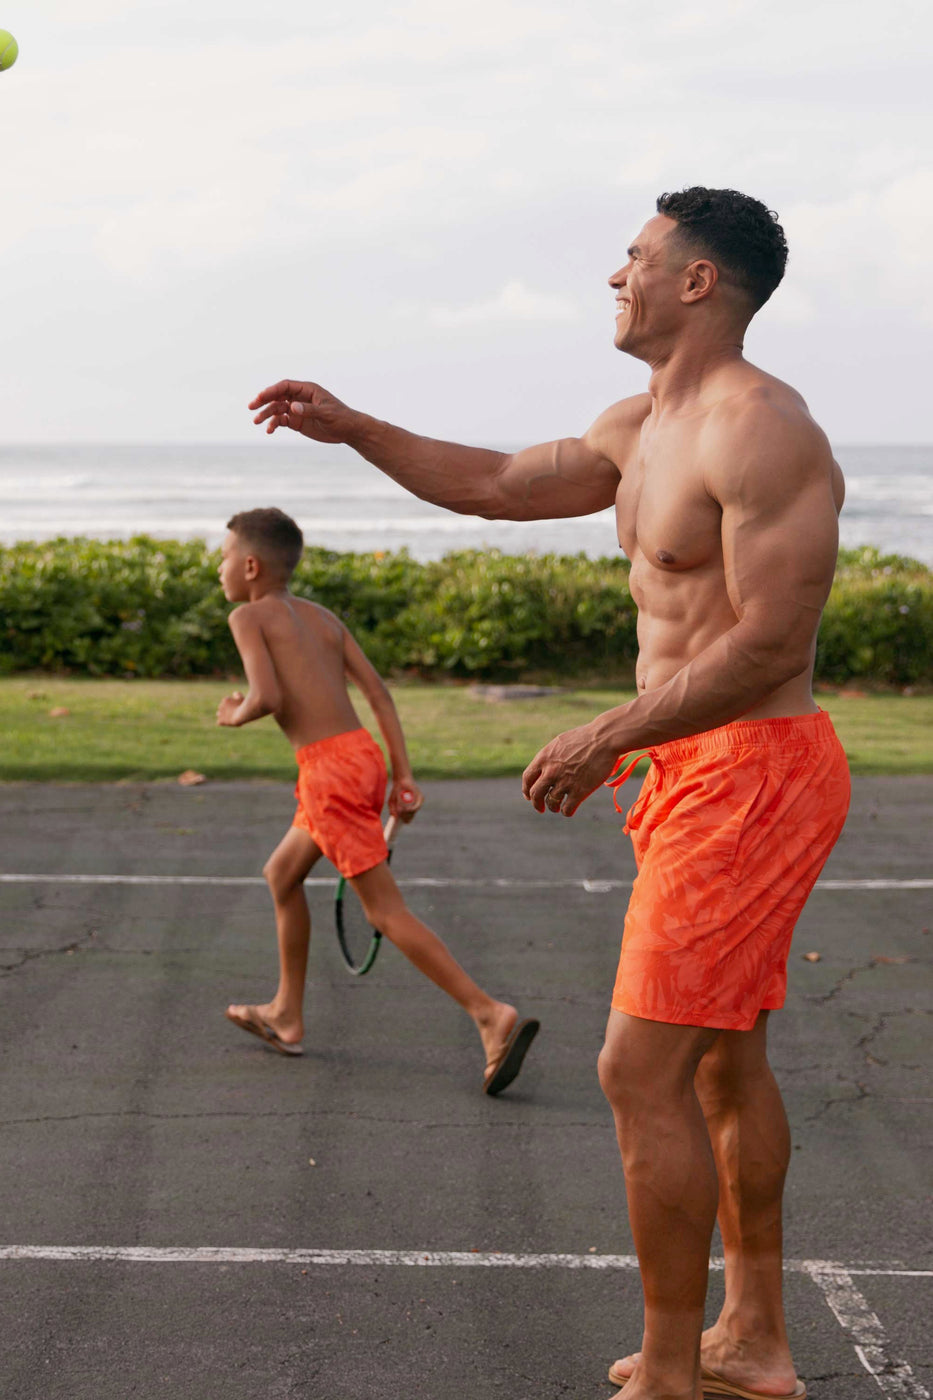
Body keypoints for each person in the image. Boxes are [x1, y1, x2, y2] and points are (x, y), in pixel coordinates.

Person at [247, 186, 850, 1400]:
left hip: (749, 774)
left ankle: (674, 1371)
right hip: (693, 769)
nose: (613, 277)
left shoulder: (761, 428)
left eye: (634, 259)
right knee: (723, 1065)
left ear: (696, 282)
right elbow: (496, 481)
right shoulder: (641, 426)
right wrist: (357, 426)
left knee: (640, 1072)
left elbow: (774, 643)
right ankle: (751, 1339)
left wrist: (603, 734)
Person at [216, 506, 539, 1095]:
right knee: (282, 874)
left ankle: (490, 1015)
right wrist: (403, 775)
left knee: (384, 912)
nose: (221, 567)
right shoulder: (322, 618)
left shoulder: (248, 617)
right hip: (360, 757)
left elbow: (265, 695)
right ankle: (286, 1014)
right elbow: (379, 694)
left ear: (252, 565)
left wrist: (233, 714)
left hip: (328, 773)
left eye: (225, 556)